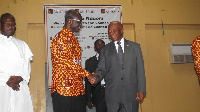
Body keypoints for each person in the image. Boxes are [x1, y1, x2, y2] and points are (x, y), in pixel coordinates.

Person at [89, 21, 146, 112]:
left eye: (114, 30)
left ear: (122, 30)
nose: (111, 33)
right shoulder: (105, 50)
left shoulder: (135, 47)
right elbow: (101, 70)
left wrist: (141, 89)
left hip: (131, 93)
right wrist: (95, 78)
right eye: (109, 31)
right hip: (112, 95)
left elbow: (140, 70)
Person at [50, 9, 94, 112]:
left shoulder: (73, 38)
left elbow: (75, 63)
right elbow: (67, 62)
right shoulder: (61, 37)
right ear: (70, 21)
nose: (81, 24)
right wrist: (87, 74)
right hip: (64, 89)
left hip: (76, 89)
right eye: (79, 21)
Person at [0, 13, 33, 112]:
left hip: (19, 87)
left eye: (13, 24)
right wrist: (6, 79)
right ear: (0, 25)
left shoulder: (21, 44)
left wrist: (20, 77)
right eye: (7, 24)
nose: (11, 27)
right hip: (2, 87)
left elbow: (26, 66)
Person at [85, 39, 107, 112]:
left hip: (111, 92)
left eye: (102, 44)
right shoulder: (89, 62)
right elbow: (88, 82)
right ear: (94, 47)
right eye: (98, 44)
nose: (100, 46)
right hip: (98, 93)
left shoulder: (111, 59)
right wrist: (89, 98)